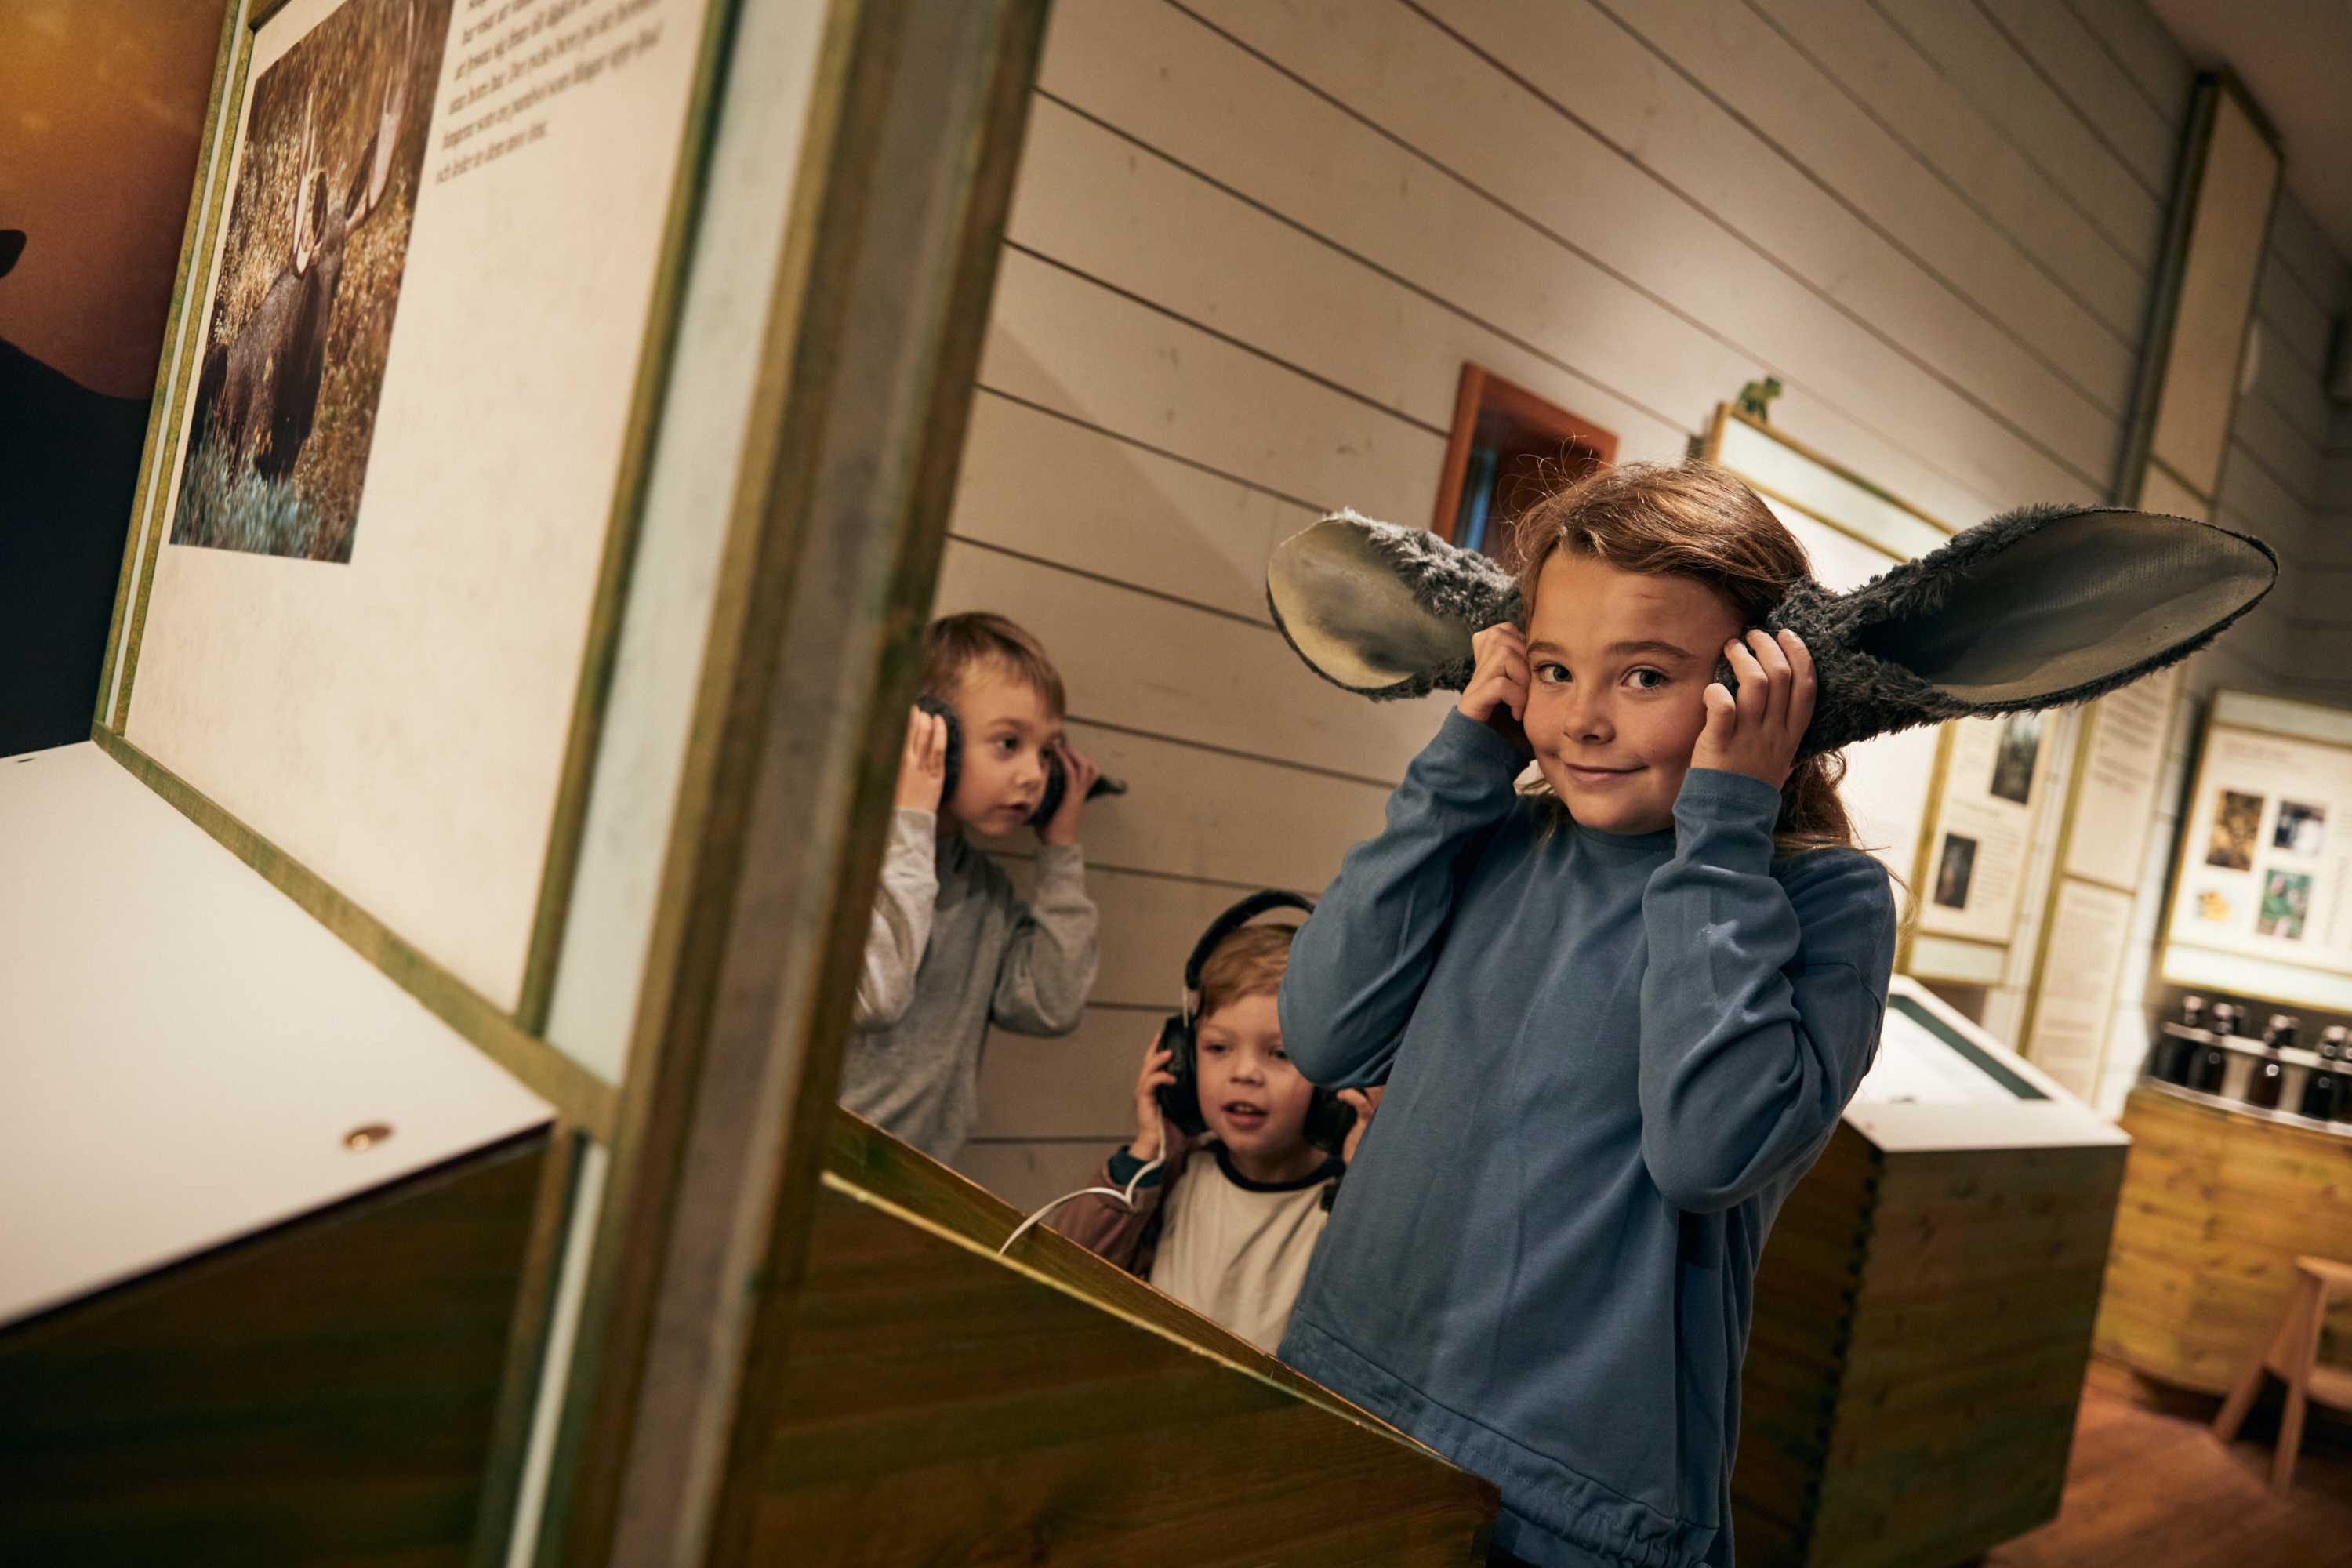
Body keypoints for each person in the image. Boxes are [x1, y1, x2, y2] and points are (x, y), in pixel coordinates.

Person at [1275, 463, 1898, 1568]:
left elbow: (1710, 1150)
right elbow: (1328, 1035)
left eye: (1645, 675)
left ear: (1760, 686)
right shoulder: (1498, 839)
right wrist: (1464, 761)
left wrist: (1724, 828)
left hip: (1577, 1506)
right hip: (1344, 1400)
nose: (1583, 720)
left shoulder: (1821, 901)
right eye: (1555, 669)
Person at [838, 612, 1101, 1165]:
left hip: (921, 1181)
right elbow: (875, 996)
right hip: (821, 1169)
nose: (1034, 774)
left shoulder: (986, 895)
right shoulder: (851, 864)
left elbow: (1050, 1004)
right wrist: (909, 818)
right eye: (1009, 743)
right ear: (936, 734)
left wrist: (1060, 853)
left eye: (1047, 752)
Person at [1051, 920, 1377, 1352]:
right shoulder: (1174, 1177)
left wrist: (1371, 1188)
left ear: (1334, 1080)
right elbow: (1065, 1267)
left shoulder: (1349, 1201)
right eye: (1218, 1048)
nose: (1244, 1073)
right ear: (1182, 1063)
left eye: (1280, 1053)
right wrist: (1147, 1153)